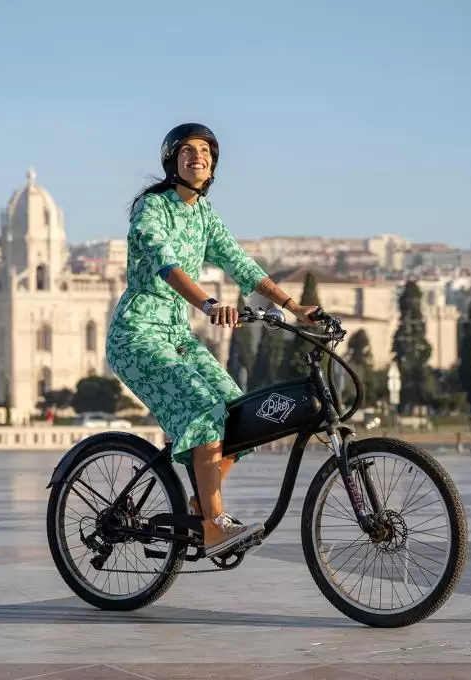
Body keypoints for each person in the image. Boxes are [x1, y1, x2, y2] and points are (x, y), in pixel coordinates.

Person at [105, 122, 318, 558]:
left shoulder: (204, 214)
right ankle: (214, 525)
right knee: (205, 410)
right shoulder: (151, 208)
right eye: (186, 150)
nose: (196, 156)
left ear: (213, 164)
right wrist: (207, 304)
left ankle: (200, 509)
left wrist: (295, 307)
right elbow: (167, 265)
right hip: (137, 334)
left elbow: (240, 263)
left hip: (176, 335)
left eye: (204, 150)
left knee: (241, 417)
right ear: (172, 161)